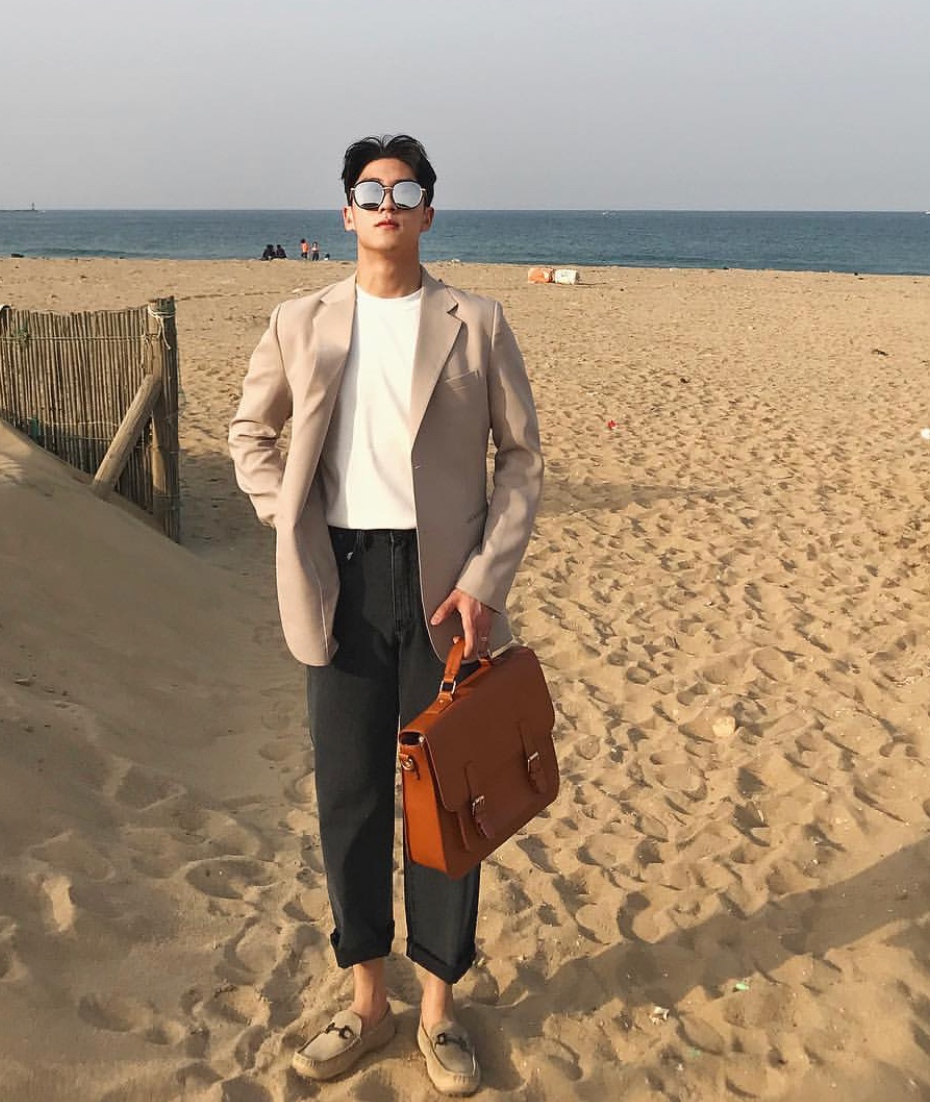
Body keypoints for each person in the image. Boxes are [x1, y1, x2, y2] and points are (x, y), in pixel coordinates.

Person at [229, 134, 542, 1096]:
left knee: (447, 798)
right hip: (340, 580)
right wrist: (288, 520)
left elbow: (520, 460)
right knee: (352, 796)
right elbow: (249, 432)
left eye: (406, 193)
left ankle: (438, 1010)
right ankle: (368, 1002)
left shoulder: (476, 321)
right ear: (347, 212)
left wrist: (486, 581)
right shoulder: (300, 319)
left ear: (428, 213)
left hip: (447, 593)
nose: (387, 206)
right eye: (371, 192)